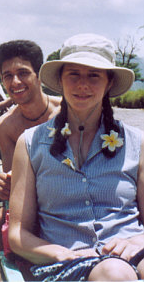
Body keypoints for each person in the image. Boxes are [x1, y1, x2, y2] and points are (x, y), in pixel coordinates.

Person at [8, 33, 144, 280]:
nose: (83, 85)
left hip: (133, 252)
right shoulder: (30, 143)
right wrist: (58, 253)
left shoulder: (138, 142)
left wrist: (139, 240)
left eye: (94, 75)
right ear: (60, 80)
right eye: (74, 74)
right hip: (68, 264)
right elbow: (17, 234)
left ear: (109, 83)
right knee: (114, 273)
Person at [0, 40, 60, 252]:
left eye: (23, 73)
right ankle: (7, 266)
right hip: (29, 197)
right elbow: (14, 178)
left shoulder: (65, 111)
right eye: (7, 76)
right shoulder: (5, 126)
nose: (15, 82)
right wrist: (4, 185)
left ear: (39, 76)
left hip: (64, 192)